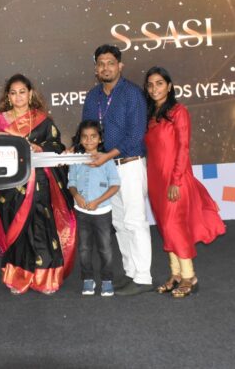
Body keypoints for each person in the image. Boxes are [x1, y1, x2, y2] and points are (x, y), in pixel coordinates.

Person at [0, 74, 77, 294]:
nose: (18, 97)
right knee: (17, 229)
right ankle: (19, 278)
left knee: (41, 226)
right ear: (8, 97)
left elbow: (56, 144)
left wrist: (39, 148)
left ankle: (46, 279)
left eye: (22, 92)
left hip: (39, 182)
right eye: (13, 93)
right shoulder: (0, 121)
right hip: (11, 184)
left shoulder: (42, 119)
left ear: (30, 94)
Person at [144, 66, 226, 297]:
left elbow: (183, 148)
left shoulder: (179, 112)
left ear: (169, 86)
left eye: (159, 83)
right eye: (150, 85)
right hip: (155, 181)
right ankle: (176, 274)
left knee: (174, 226)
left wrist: (176, 180)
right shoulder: (150, 115)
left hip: (175, 180)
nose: (154, 88)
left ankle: (190, 276)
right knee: (165, 227)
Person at [82, 44, 153, 296]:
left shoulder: (132, 94)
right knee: (119, 223)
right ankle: (131, 272)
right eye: (101, 63)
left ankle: (143, 277)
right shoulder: (93, 96)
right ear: (96, 68)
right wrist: (78, 149)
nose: (106, 68)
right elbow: (87, 131)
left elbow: (135, 135)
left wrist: (107, 156)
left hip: (129, 165)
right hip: (106, 168)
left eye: (110, 63)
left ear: (120, 66)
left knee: (135, 221)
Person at [68, 120, 120, 296]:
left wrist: (98, 201)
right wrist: (77, 196)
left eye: (93, 136)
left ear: (100, 139)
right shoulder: (76, 160)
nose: (89, 140)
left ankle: (107, 280)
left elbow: (115, 186)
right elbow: (71, 183)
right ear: (80, 139)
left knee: (105, 248)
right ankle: (88, 279)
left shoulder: (107, 160)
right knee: (84, 248)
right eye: (85, 137)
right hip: (81, 213)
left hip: (102, 212)